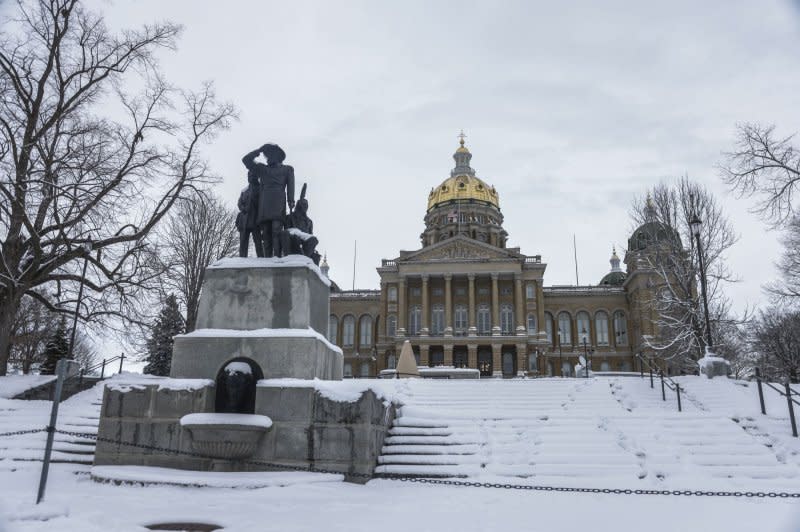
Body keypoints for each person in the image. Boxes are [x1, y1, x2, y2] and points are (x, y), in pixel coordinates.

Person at [242, 143, 294, 257]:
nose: (268, 157)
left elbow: (290, 186)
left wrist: (291, 200)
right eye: (267, 155)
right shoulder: (262, 169)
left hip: (278, 203)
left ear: (278, 156)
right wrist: (258, 151)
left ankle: (277, 257)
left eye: (270, 154)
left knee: (276, 230)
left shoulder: (287, 169)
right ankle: (267, 259)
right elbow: (246, 160)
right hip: (264, 204)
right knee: (265, 233)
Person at [280, 183, 320, 265]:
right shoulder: (290, 217)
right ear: (299, 206)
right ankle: (289, 257)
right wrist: (294, 233)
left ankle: (304, 258)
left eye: (306, 206)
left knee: (314, 240)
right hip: (293, 241)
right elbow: (286, 229)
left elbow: (310, 235)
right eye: (303, 205)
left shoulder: (309, 221)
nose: (305, 207)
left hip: (304, 245)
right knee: (285, 234)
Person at [236, 169, 264, 257]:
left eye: (253, 175)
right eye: (249, 176)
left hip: (255, 219)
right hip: (244, 219)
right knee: (243, 242)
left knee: (258, 241)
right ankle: (242, 259)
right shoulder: (244, 190)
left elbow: (263, 203)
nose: (251, 177)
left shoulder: (262, 189)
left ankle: (261, 259)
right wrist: (243, 208)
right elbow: (239, 202)